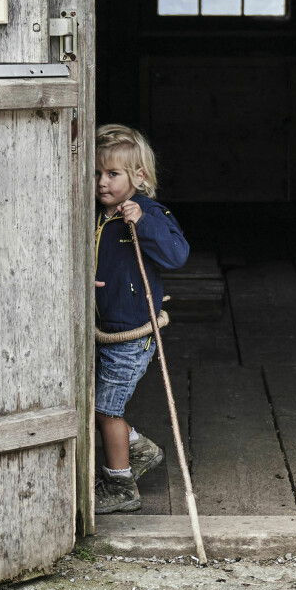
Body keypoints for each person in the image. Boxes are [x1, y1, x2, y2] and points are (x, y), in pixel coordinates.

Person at [93, 124, 189, 514]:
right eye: (97, 173)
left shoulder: (148, 214)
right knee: (99, 404)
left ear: (139, 177)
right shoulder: (96, 215)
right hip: (102, 331)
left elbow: (177, 255)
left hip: (132, 335)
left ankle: (120, 486)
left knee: (105, 409)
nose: (102, 182)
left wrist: (143, 223)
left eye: (113, 174)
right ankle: (140, 449)